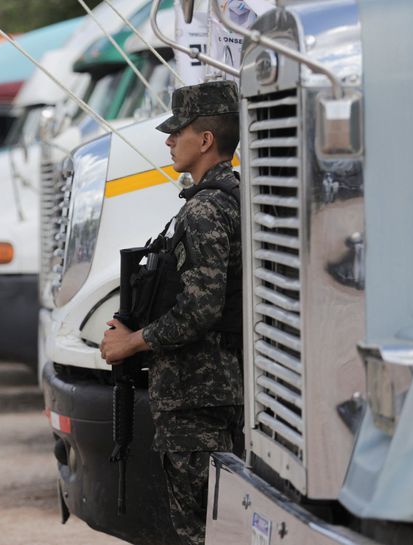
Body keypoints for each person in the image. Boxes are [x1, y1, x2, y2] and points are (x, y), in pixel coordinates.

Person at [99, 80, 243, 545]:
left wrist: (131, 343)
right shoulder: (229, 198)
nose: (167, 140)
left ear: (205, 140)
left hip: (196, 394)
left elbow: (199, 309)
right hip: (212, 389)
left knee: (200, 528)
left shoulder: (206, 209)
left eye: (176, 131)